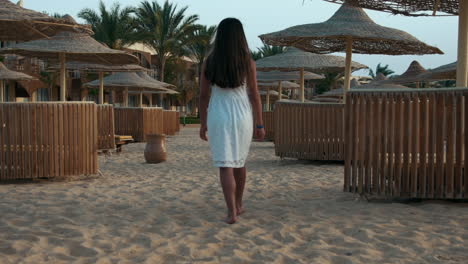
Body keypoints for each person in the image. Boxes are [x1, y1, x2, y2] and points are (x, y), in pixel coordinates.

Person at [199, 18, 265, 224]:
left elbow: (203, 96)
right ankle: (238, 203)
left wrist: (203, 123)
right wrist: (260, 124)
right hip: (241, 116)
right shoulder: (247, 62)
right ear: (240, 36)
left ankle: (231, 212)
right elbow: (254, 95)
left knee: (225, 165)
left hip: (218, 114)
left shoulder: (209, 62)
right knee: (240, 163)